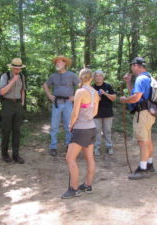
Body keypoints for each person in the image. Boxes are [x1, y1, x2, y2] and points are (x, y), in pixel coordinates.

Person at [61, 68, 99, 199]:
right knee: (90, 158)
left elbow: (75, 112)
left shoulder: (80, 92)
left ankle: (74, 188)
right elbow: (95, 113)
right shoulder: (95, 93)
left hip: (81, 129)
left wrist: (71, 125)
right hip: (91, 127)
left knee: (70, 158)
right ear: (91, 78)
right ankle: (88, 185)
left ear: (80, 78)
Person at [120, 57, 155, 180]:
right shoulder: (148, 77)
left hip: (143, 114)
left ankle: (143, 169)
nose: (131, 69)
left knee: (143, 141)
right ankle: (149, 164)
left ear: (136, 66)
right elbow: (136, 94)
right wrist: (128, 82)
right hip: (150, 113)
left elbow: (135, 98)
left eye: (132, 66)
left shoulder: (140, 79)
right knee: (148, 139)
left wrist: (125, 100)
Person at [43, 56, 80, 156]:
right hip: (57, 103)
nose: (57, 64)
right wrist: (50, 95)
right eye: (56, 62)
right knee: (54, 126)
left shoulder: (71, 75)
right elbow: (45, 85)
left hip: (68, 103)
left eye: (59, 62)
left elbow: (81, 85)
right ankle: (53, 147)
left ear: (65, 64)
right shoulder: (53, 76)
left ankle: (69, 145)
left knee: (69, 126)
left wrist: (75, 97)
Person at [0, 58, 26, 163]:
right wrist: (12, 81)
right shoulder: (5, 76)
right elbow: (2, 92)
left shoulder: (22, 77)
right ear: (11, 67)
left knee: (17, 131)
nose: (17, 70)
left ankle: (16, 155)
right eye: (15, 68)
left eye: (19, 68)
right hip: (7, 104)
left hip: (18, 104)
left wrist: (22, 102)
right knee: (6, 130)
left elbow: (22, 90)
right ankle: (4, 154)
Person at [92, 70, 116, 156]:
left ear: (103, 77)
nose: (98, 77)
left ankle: (109, 147)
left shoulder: (108, 86)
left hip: (107, 113)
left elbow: (114, 98)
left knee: (107, 131)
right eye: (96, 76)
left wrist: (105, 93)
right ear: (94, 78)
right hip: (96, 113)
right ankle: (97, 147)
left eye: (100, 76)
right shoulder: (92, 87)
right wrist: (96, 98)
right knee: (97, 131)